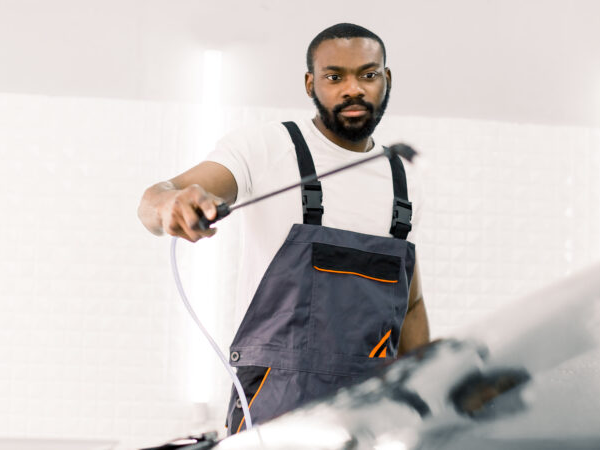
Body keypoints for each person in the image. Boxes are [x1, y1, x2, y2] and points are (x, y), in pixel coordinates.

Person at [137, 23, 429, 434]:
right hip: (273, 410)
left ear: (387, 79)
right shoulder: (266, 148)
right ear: (311, 83)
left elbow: (410, 303)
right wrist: (171, 204)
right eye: (334, 77)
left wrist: (433, 399)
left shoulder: (402, 178)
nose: (353, 89)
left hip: (370, 414)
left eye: (367, 74)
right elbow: (159, 196)